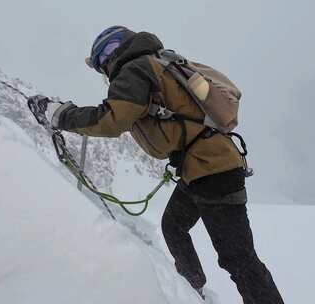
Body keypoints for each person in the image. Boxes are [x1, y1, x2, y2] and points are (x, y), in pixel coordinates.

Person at [28, 26, 284, 303]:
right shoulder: (154, 63)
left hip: (212, 170)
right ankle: (190, 292)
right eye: (100, 62)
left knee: (239, 260)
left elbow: (112, 119)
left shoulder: (135, 68)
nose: (105, 65)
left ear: (119, 48)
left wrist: (60, 115)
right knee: (174, 226)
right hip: (202, 167)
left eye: (105, 56)